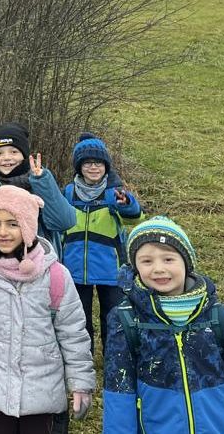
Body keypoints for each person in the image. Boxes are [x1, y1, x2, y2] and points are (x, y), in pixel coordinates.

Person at [0, 185, 95, 434]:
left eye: (13, 224)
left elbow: (73, 332)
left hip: (42, 381)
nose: (3, 232)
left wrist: (81, 383)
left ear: (27, 226)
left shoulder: (55, 274)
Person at [103, 216, 224, 433]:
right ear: (135, 266)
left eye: (168, 259)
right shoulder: (126, 319)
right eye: (147, 261)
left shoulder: (218, 316)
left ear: (186, 262)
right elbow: (119, 388)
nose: (158, 269)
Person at [61, 133, 143, 353]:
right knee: (79, 317)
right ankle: (82, 358)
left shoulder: (114, 193)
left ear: (106, 166)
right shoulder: (69, 193)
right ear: (79, 167)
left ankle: (113, 357)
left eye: (98, 163)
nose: (94, 168)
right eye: (88, 163)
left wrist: (126, 204)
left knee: (113, 317)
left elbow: (135, 216)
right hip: (75, 268)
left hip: (111, 269)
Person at [0, 122, 76, 256]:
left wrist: (42, 182)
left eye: (14, 152)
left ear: (24, 155)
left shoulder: (39, 183)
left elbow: (65, 222)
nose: (6, 158)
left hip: (37, 264)